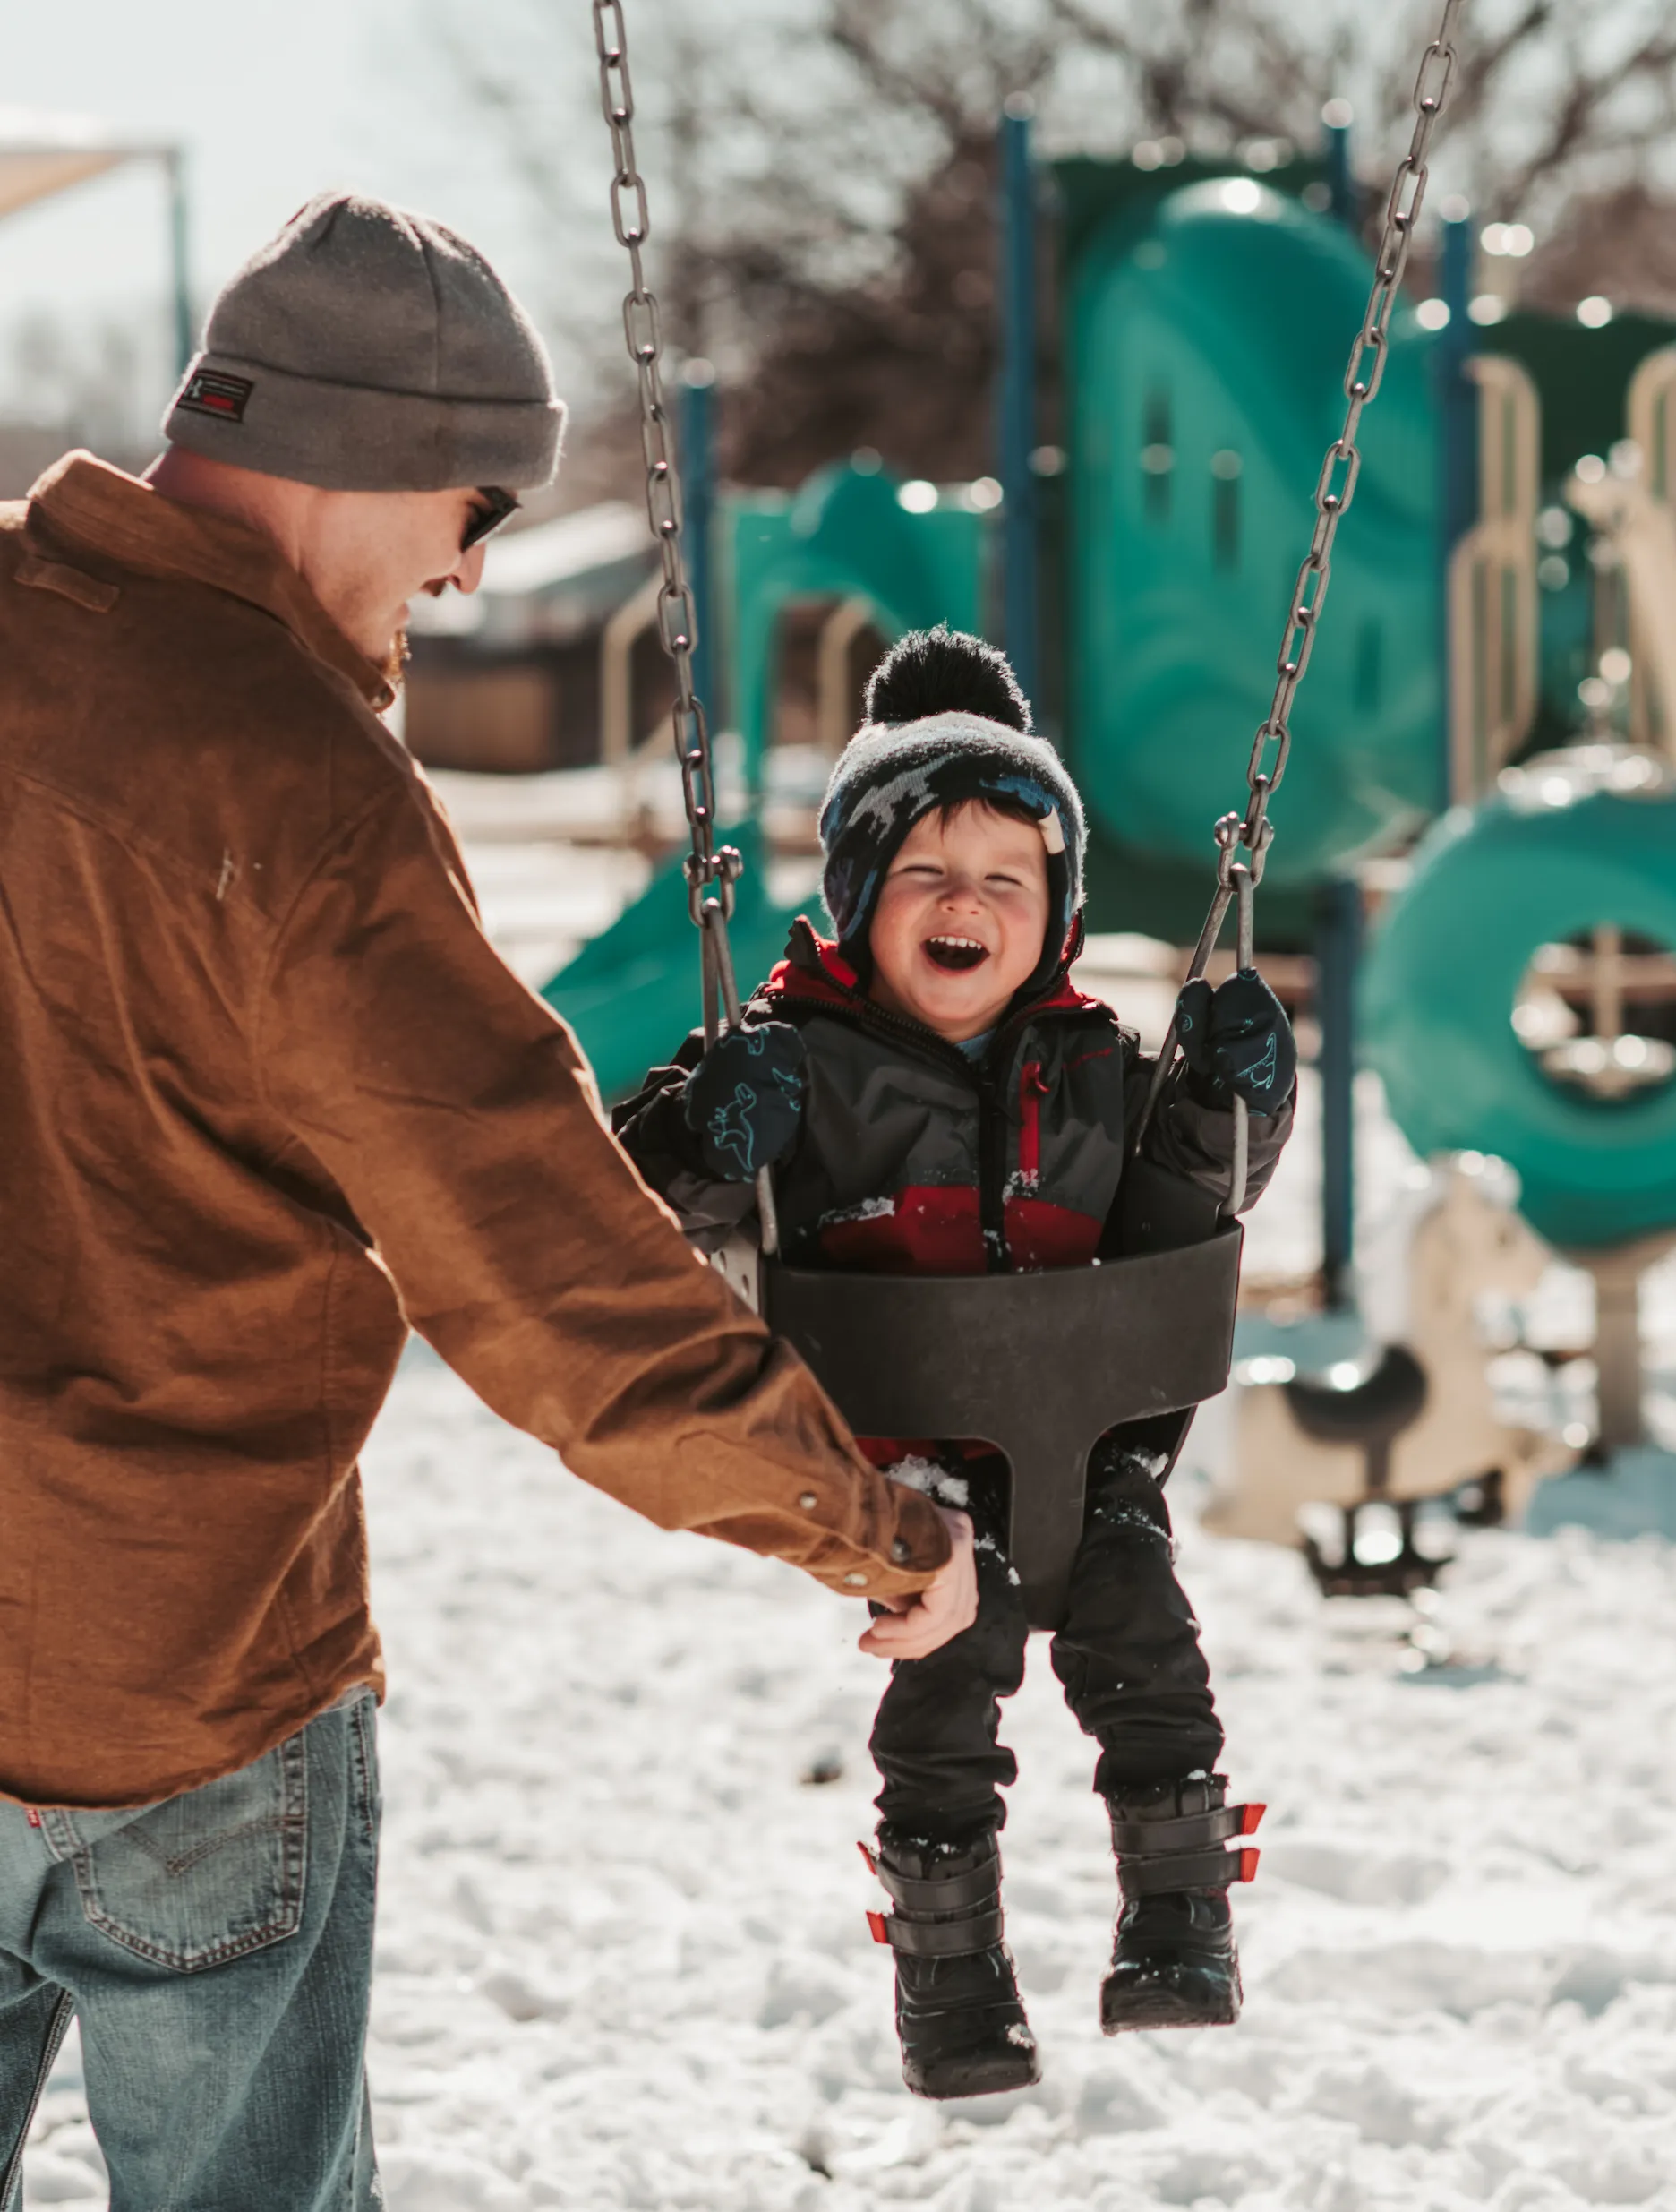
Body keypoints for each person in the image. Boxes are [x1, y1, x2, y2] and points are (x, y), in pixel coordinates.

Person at [0, 193, 976, 2212]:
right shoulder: (299, 787)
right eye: (472, 506)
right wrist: (859, 1522)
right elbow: (538, 1271)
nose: (463, 567)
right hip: (184, 1678)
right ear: (360, 452)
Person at [617, 628, 1296, 2100]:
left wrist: (1237, 1102)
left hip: (1088, 1435)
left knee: (1153, 1663)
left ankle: (1180, 1921)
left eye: (1007, 878)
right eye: (925, 873)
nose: (964, 904)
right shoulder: (792, 1058)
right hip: (906, 1465)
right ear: (858, 900)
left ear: (1051, 915)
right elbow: (637, 1202)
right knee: (941, 1710)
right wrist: (702, 1128)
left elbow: (1183, 1208)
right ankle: (953, 1983)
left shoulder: (1100, 1059)